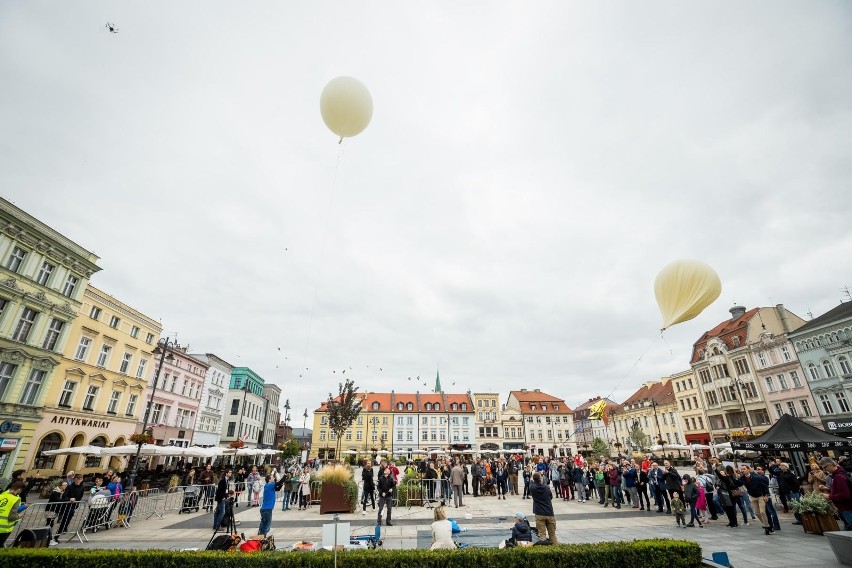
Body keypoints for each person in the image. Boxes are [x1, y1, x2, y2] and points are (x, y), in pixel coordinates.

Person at [818, 457, 852, 530]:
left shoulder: (839, 476)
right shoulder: (838, 474)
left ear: (830, 465)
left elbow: (845, 495)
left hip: (846, 507)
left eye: (825, 467)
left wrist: (829, 496)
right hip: (845, 507)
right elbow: (840, 489)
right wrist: (827, 489)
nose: (824, 470)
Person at [740, 464, 772, 536]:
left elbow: (764, 486)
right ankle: (766, 524)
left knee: (762, 512)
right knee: (757, 513)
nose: (742, 470)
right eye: (741, 469)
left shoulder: (756, 477)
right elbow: (736, 484)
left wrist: (766, 495)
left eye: (744, 469)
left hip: (761, 496)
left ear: (748, 469)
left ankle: (767, 527)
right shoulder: (742, 478)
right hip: (753, 497)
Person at [529, 472, 557, 544]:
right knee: (552, 535)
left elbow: (531, 483)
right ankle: (556, 549)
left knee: (542, 535)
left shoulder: (532, 488)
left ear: (534, 479)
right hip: (549, 512)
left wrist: (532, 478)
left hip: (539, 513)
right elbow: (551, 497)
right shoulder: (546, 487)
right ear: (540, 479)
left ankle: (544, 551)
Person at [56, 474, 85, 542]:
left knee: (69, 517)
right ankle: (57, 536)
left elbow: (80, 497)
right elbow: (64, 496)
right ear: (74, 479)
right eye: (77, 478)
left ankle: (64, 528)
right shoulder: (69, 487)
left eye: (80, 479)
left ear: (82, 480)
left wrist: (76, 502)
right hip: (67, 505)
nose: (78, 480)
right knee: (64, 520)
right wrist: (70, 499)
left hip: (74, 506)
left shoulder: (82, 487)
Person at [0, 480, 25, 547]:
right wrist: (19, 516)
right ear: (19, 489)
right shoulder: (16, 499)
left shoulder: (2, 495)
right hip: (4, 529)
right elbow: (11, 517)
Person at [45, 480, 68, 545]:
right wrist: (66, 499)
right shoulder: (56, 492)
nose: (65, 486)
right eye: (64, 485)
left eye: (66, 485)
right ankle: (48, 538)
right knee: (49, 523)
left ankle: (49, 538)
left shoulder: (61, 492)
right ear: (60, 486)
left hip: (55, 510)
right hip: (51, 509)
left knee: (51, 523)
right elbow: (58, 500)